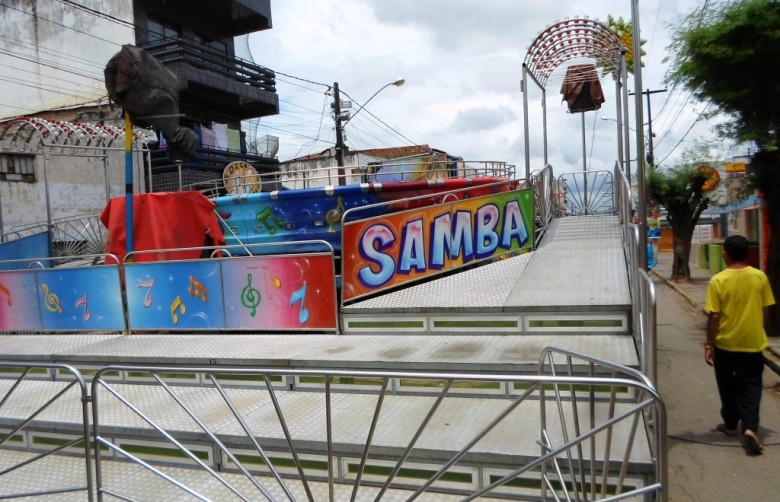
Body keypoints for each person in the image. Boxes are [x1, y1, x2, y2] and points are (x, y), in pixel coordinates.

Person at [704, 235, 775, 455]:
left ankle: (731, 424)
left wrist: (709, 344)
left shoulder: (718, 280)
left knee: (727, 385)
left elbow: (714, 317)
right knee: (751, 386)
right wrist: (757, 329)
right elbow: (765, 310)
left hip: (725, 344)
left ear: (725, 253)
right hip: (752, 344)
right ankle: (751, 428)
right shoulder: (759, 277)